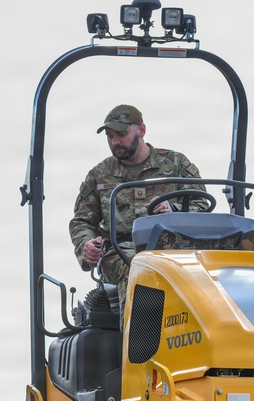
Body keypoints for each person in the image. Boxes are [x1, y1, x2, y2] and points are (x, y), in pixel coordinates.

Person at [68, 104, 204, 317]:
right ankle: (135, 345)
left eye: (121, 134)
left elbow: (202, 207)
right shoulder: (100, 174)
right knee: (139, 268)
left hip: (175, 246)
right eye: (109, 136)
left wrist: (174, 209)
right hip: (121, 250)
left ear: (141, 131)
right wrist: (86, 245)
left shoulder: (175, 164)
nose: (115, 142)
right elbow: (82, 222)